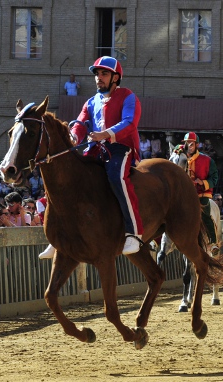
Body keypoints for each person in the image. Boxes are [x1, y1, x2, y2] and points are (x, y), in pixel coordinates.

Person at [41, 56, 143, 260]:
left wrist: (105, 134)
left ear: (116, 77)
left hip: (120, 149)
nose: (99, 78)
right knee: (71, 178)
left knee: (116, 177)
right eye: (97, 74)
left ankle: (133, 232)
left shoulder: (128, 96)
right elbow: (79, 123)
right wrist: (72, 136)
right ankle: (58, 238)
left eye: (104, 73)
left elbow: (130, 123)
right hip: (96, 149)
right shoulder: (91, 101)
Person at [183, 132, 219, 253]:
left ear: (197, 145)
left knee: (204, 215)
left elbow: (214, 178)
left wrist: (202, 182)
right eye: (187, 144)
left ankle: (213, 242)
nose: (189, 146)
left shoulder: (207, 160)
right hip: (182, 195)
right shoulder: (180, 158)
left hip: (200, 194)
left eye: (191, 144)